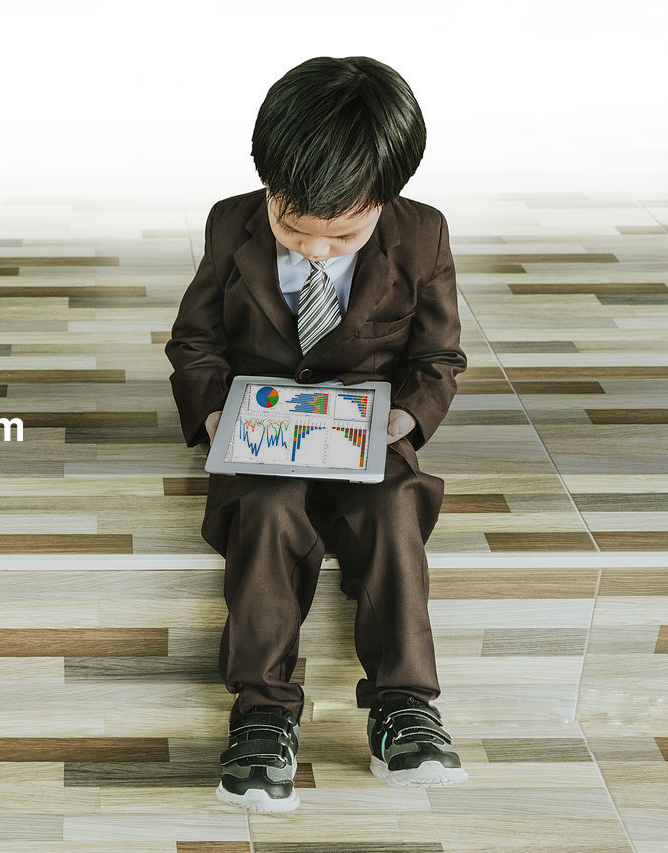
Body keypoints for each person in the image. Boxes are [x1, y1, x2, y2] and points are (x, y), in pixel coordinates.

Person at [164, 56, 470, 813]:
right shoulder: (228, 222)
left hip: (369, 435)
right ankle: (263, 712)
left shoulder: (423, 235)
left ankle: (404, 705)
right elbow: (194, 343)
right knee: (266, 516)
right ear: (268, 187)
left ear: (384, 200)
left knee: (393, 515)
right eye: (293, 230)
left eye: (342, 235)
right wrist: (213, 414)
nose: (316, 250)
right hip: (259, 432)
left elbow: (438, 356)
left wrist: (406, 416)